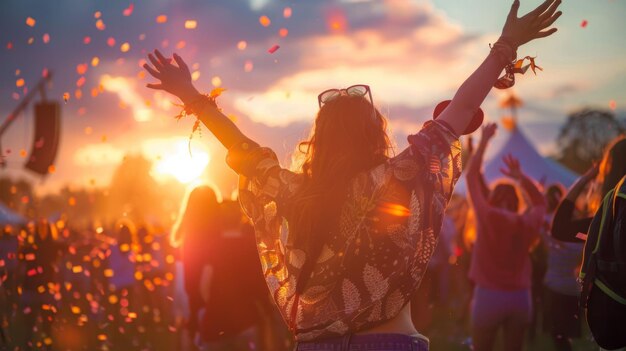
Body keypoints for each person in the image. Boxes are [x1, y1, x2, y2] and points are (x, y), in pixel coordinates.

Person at [143, 0, 562, 348]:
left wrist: (194, 98)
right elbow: (458, 114)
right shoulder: (401, 175)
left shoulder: (296, 194)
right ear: (374, 133)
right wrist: (504, 47)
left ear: (318, 141)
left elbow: (243, 151)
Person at [465, 123, 547, 351]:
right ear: (516, 202)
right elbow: (541, 203)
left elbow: (472, 176)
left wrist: (483, 141)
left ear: (493, 198)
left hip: (488, 297)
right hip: (520, 298)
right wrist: (521, 177)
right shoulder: (527, 222)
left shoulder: (487, 215)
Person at [170, 185, 221, 343]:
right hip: (215, 294)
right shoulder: (216, 234)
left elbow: (189, 274)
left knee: (195, 331)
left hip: (193, 293)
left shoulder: (188, 235)